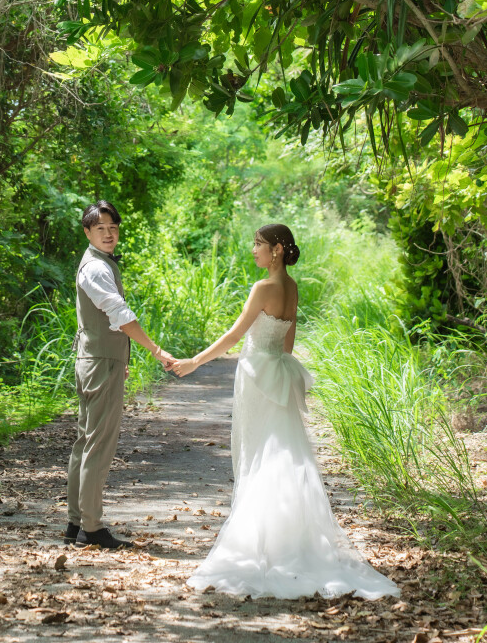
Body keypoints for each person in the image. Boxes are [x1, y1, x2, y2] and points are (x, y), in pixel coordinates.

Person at [171, 224, 399, 600]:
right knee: (280, 452)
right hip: (277, 372)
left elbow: (234, 336)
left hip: (256, 376)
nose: (253, 250)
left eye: (258, 244)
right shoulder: (291, 287)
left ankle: (260, 545)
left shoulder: (262, 288)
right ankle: (287, 542)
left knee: (258, 453)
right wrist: (277, 364)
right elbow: (288, 342)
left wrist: (194, 361)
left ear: (276, 249)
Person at [65, 199, 175, 550]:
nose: (109, 234)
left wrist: (120, 356)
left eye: (113, 228)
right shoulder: (97, 268)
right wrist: (155, 349)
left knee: (86, 442)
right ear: (87, 232)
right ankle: (91, 528)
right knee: (97, 445)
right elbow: (119, 314)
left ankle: (76, 523)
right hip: (100, 364)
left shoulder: (97, 263)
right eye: (101, 228)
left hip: (95, 359)